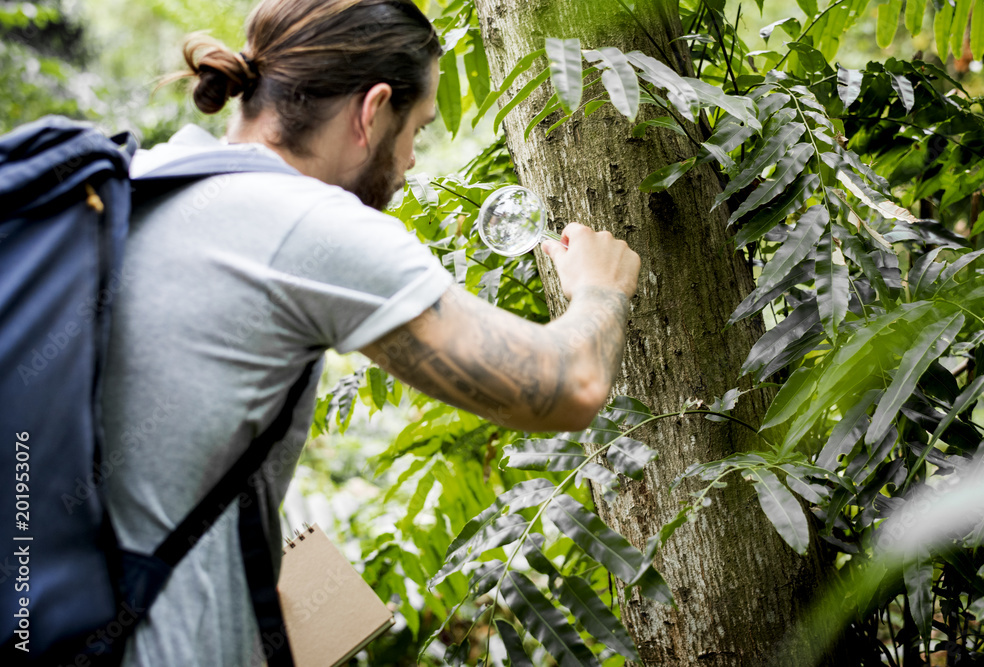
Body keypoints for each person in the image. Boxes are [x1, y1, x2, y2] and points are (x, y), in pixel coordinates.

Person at [101, 0, 640, 664]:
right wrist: (600, 290)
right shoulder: (310, 224)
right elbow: (571, 385)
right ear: (372, 109)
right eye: (416, 128)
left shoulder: (141, 178)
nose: (411, 159)